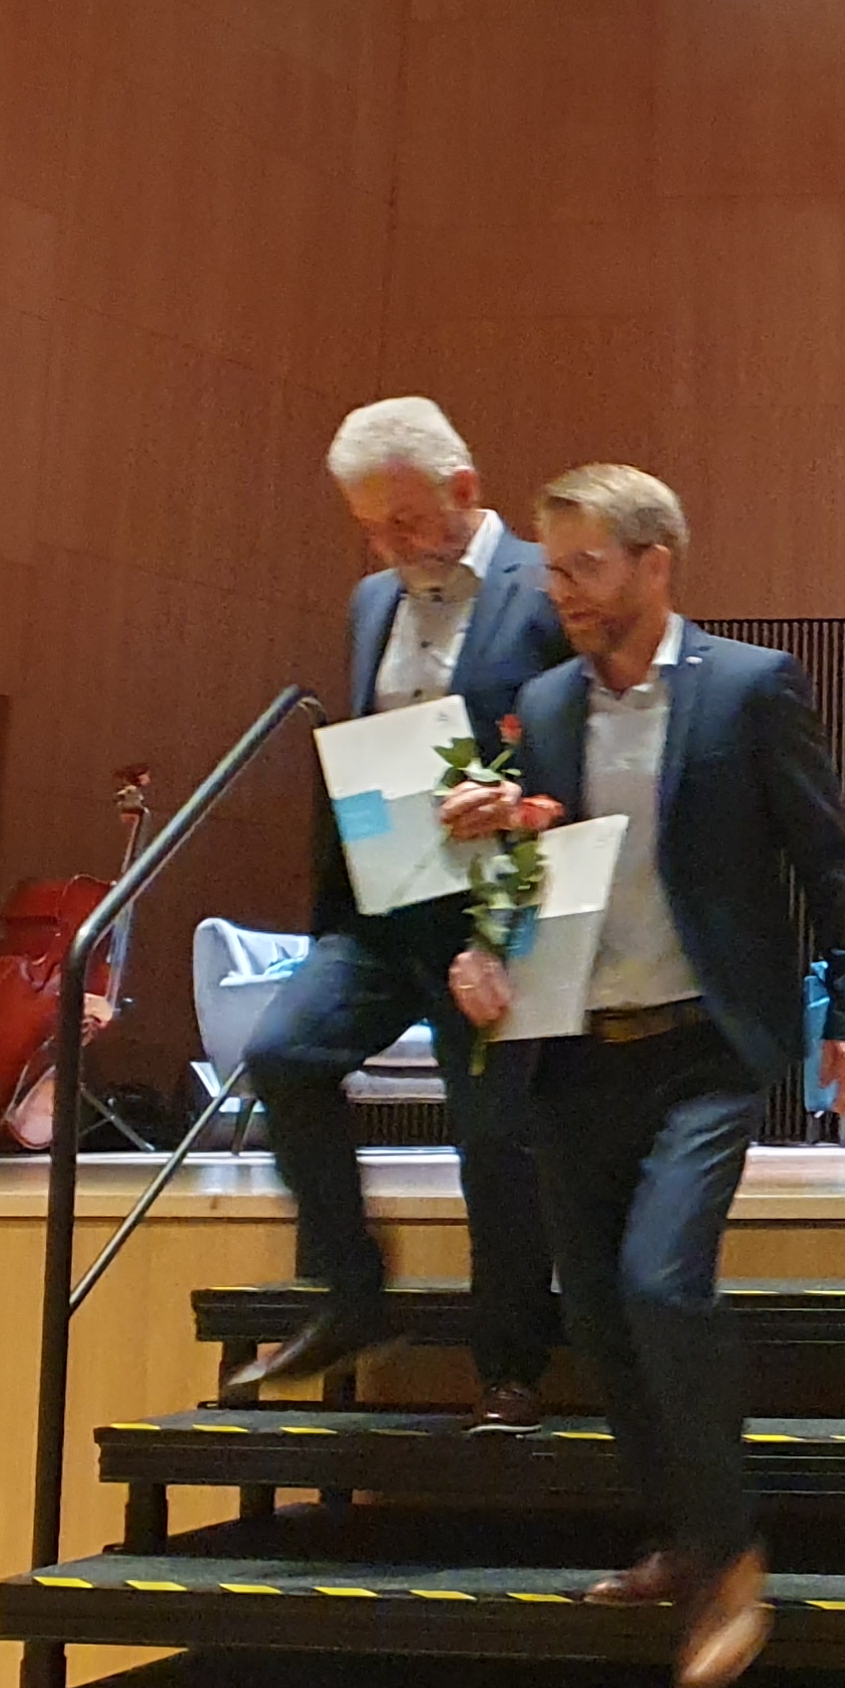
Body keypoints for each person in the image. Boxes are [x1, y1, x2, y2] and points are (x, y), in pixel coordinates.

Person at [444, 463, 845, 1688]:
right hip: (575, 1052)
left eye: (586, 567)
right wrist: (482, 944)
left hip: (706, 1048)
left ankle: (732, 1555)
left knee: (660, 1284)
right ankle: (679, 1538)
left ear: (655, 563)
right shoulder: (542, 703)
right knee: (596, 1315)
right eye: (552, 570)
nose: (564, 592)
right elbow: (523, 878)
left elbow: (829, 859)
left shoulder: (749, 687)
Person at [225, 399, 573, 1413]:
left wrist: (522, 803)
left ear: (465, 489)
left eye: (405, 521)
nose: (387, 546)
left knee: (493, 1139)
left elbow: (594, 747)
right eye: (371, 528)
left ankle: (510, 1364)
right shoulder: (371, 600)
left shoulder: (545, 588)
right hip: (380, 910)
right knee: (284, 1054)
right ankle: (352, 1290)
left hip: (499, 913)